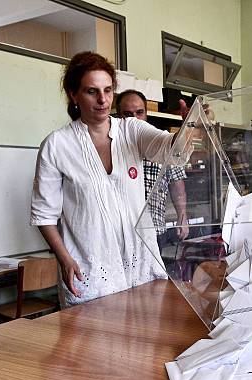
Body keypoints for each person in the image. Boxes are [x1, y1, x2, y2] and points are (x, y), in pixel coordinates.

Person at [31, 52, 189, 307]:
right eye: (92, 91)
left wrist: (189, 126)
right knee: (96, 344)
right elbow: (44, 216)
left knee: (147, 344)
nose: (103, 99)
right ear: (74, 94)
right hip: (90, 271)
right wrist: (64, 259)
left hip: (141, 267)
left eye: (108, 90)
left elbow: (170, 150)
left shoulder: (131, 130)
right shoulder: (57, 145)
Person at [116, 90, 190, 249]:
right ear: (118, 116)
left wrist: (182, 218)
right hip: (120, 232)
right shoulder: (110, 147)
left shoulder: (159, 142)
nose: (134, 119)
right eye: (127, 114)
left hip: (154, 230)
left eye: (139, 112)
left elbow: (177, 185)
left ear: (146, 114)